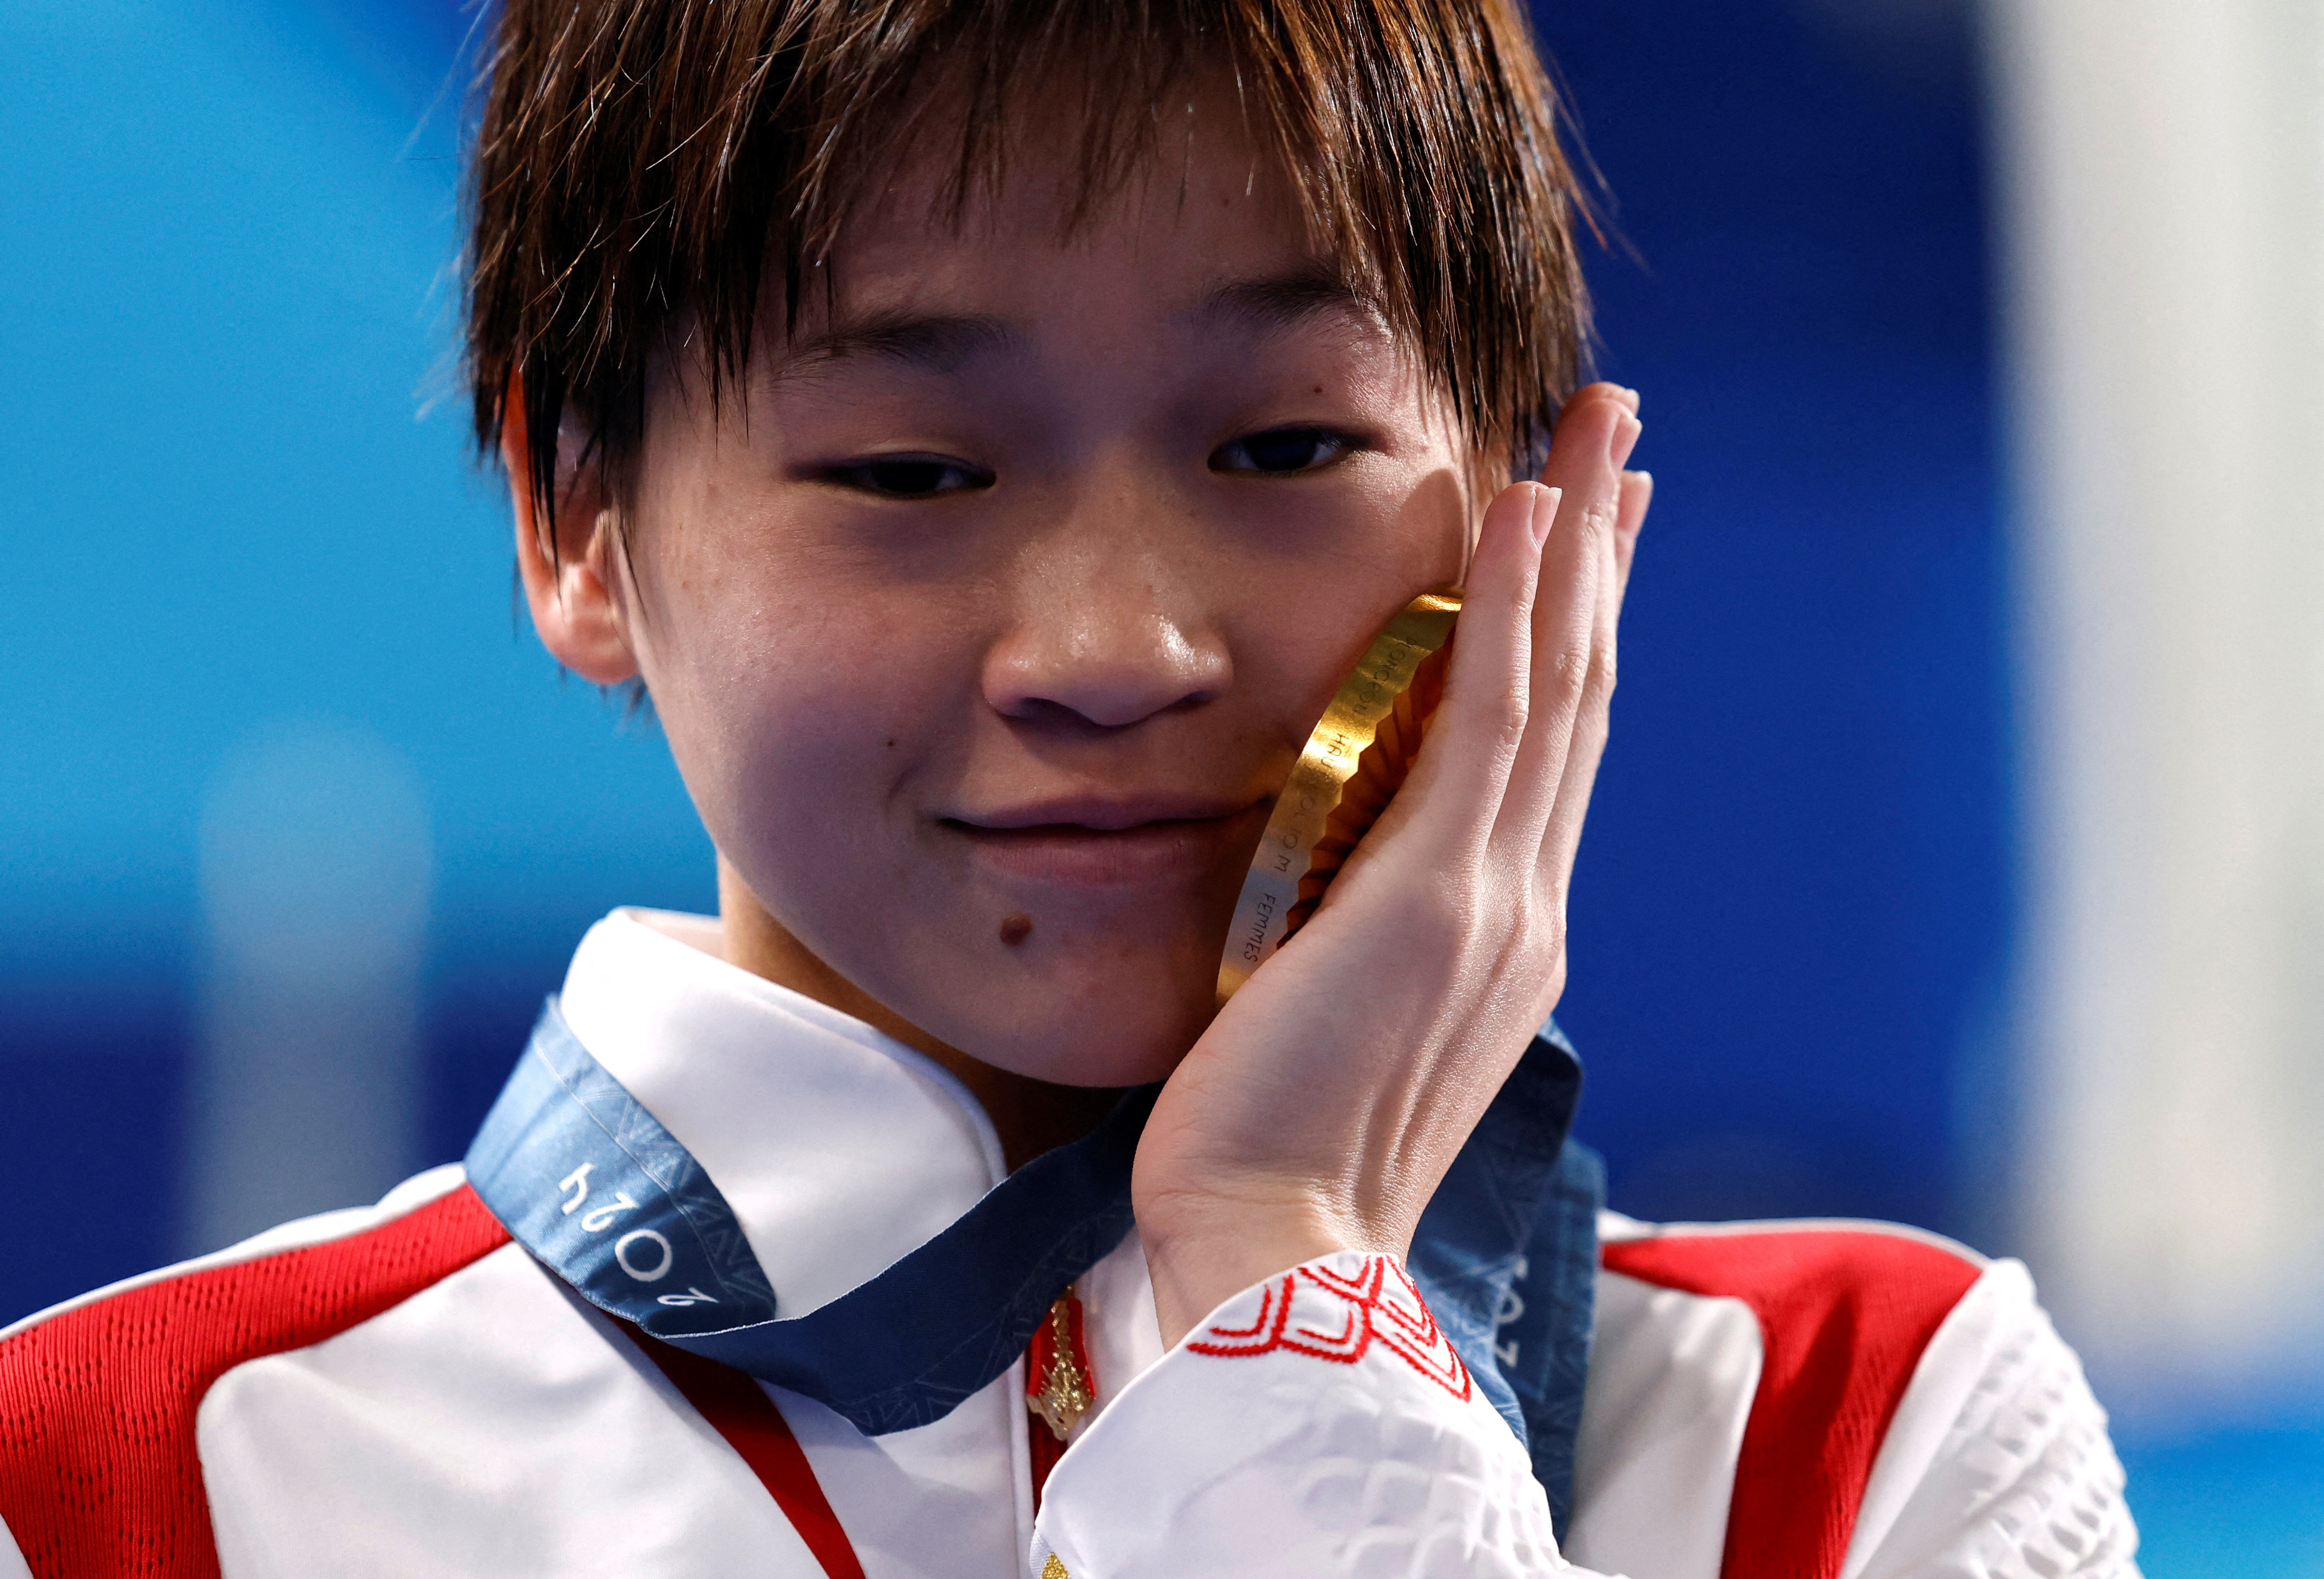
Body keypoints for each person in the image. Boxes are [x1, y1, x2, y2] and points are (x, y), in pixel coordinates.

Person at [0, 2, 2138, 1575]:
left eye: (1287, 449)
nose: (1119, 650)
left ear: (1523, 503)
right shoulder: (116, 1490)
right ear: (579, 519)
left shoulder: (1871, 1434)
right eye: (913, 472)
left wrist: (1285, 1270)